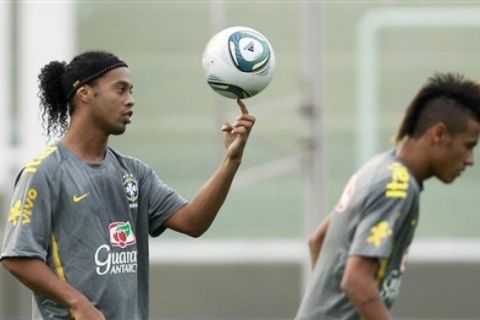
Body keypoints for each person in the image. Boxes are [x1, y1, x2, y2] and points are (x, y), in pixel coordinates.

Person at [0, 50, 255, 320]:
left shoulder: (134, 173)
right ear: (85, 93)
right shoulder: (45, 172)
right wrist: (78, 303)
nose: (130, 101)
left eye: (131, 91)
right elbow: (17, 257)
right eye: (120, 90)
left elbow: (193, 222)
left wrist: (232, 160)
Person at [295, 72, 480, 320]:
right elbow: (357, 281)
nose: (470, 160)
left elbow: (319, 240)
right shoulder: (398, 185)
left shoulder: (378, 168)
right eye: (469, 145)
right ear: (438, 134)